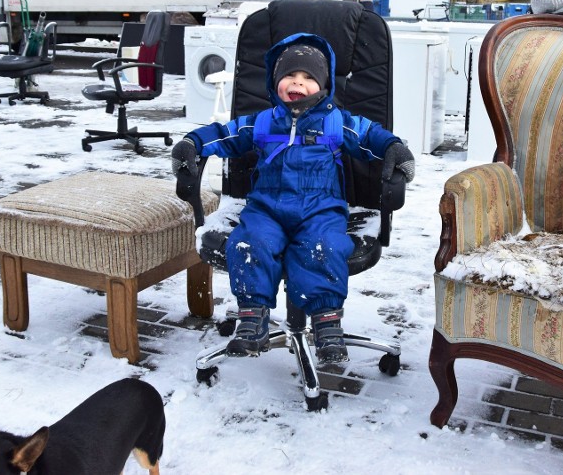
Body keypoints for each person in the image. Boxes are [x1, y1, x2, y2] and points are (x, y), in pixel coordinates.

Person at [171, 33, 414, 363]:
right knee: (250, 242)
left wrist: (395, 149)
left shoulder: (337, 122)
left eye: (308, 78)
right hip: (266, 206)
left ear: (323, 85)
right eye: (290, 76)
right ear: (275, 82)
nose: (298, 83)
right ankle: (252, 318)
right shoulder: (261, 122)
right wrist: (192, 143)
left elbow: (373, 136)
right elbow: (224, 134)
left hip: (321, 208)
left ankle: (327, 322)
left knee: (322, 247)